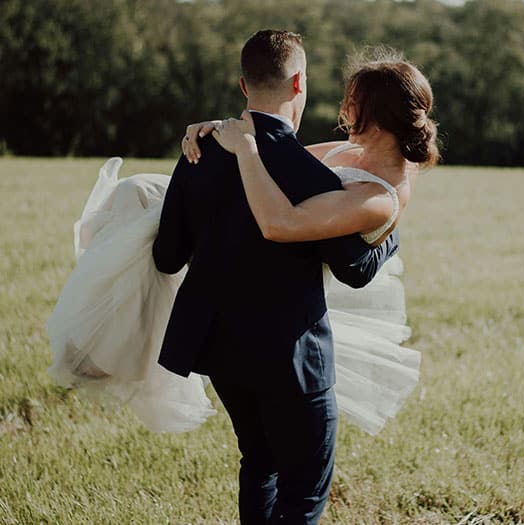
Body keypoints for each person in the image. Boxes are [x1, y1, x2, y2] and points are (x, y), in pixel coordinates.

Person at [48, 30, 405, 524]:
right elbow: (353, 267)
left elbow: (169, 257)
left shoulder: (198, 151)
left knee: (258, 463)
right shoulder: (313, 178)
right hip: (291, 356)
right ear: (299, 82)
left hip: (219, 348)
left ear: (243, 85)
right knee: (304, 490)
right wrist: (390, 234)